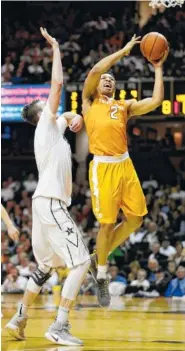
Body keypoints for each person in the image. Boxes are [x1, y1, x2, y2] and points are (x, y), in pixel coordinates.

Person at [6, 28, 90, 346]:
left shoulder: (50, 128)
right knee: (82, 262)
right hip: (52, 202)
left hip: (42, 203)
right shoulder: (44, 123)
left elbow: (67, 116)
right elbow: (57, 84)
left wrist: (74, 115)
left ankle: (20, 317)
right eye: (47, 104)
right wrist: (55, 47)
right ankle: (59, 325)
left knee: (44, 267)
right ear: (41, 113)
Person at [82, 34, 168, 306]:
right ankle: (103, 275)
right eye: (105, 79)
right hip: (103, 168)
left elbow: (155, 100)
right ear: (97, 87)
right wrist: (124, 50)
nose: (108, 80)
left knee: (136, 219)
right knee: (107, 223)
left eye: (112, 80)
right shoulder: (88, 102)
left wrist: (157, 68)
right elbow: (96, 70)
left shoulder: (123, 107)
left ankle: (99, 255)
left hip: (125, 165)